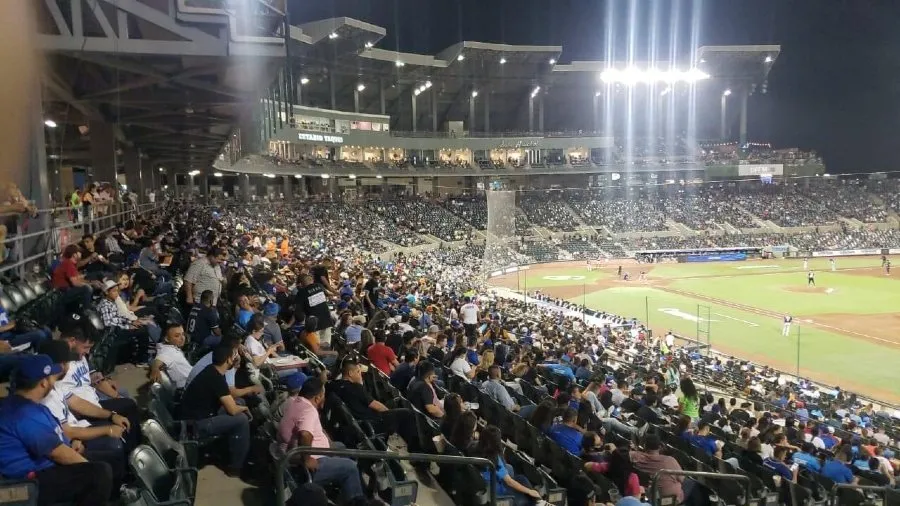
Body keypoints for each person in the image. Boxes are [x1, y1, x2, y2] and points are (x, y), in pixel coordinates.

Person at [0, 354, 113, 506]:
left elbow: (58, 437)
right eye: (52, 377)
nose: (55, 380)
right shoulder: (24, 413)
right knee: (99, 473)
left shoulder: (29, 405)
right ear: (43, 383)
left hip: (42, 468)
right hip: (26, 483)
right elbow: (59, 454)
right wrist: (89, 467)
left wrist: (71, 442)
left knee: (109, 460)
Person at [278, 377, 364, 503]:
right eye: (323, 394)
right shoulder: (309, 410)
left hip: (300, 454)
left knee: (341, 447)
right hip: (302, 467)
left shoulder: (295, 402)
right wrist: (307, 460)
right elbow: (305, 434)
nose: (324, 397)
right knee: (350, 467)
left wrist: (327, 441)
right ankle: (356, 501)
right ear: (317, 397)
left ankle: (348, 491)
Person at [178, 343, 250, 476]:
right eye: (234, 355)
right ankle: (236, 467)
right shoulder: (216, 378)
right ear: (228, 360)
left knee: (239, 401)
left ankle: (230, 450)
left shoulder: (212, 370)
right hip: (193, 426)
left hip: (195, 416)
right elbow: (233, 410)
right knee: (242, 419)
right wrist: (245, 408)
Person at [332, 361, 420, 451]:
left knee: (397, 410)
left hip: (357, 422)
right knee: (407, 413)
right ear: (350, 373)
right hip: (370, 423)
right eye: (358, 372)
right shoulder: (355, 387)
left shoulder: (334, 385)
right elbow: (377, 406)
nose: (360, 375)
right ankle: (415, 451)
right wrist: (390, 414)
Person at [474, 426, 541, 506]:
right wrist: (529, 491)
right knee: (528, 497)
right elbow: (509, 482)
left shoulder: (473, 448)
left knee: (521, 478)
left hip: (488, 488)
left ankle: (538, 500)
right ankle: (538, 502)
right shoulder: (494, 460)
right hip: (498, 495)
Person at [149, 323, 193, 389]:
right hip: (190, 385)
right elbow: (159, 359)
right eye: (177, 336)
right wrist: (155, 369)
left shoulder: (164, 347)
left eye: (183, 334)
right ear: (167, 339)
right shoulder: (169, 352)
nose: (182, 338)